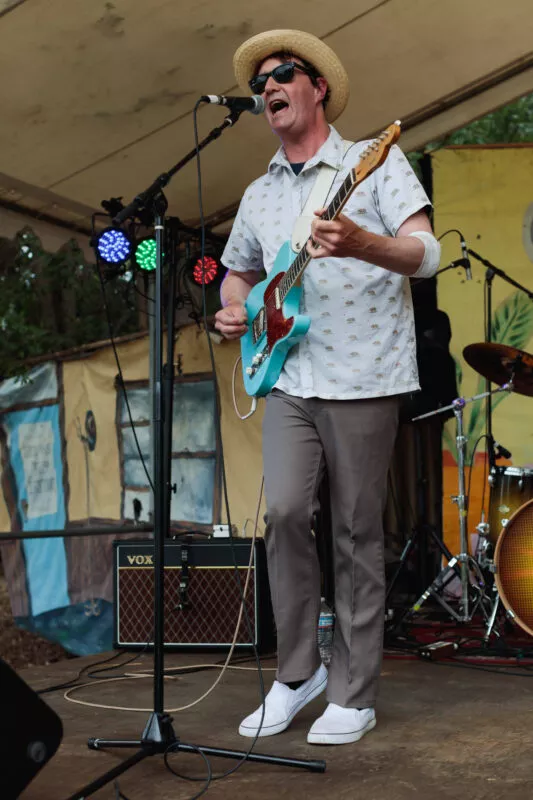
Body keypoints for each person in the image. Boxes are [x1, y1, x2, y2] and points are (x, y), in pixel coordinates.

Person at [215, 29, 440, 746]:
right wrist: (234, 308)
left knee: (353, 529)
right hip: (288, 374)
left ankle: (353, 690)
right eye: (259, 84)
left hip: (366, 372)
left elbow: (426, 253)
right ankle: (295, 673)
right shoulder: (255, 193)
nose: (267, 88)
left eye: (282, 74)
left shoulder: (372, 162)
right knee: (281, 513)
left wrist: (361, 241)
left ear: (317, 87)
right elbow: (240, 272)